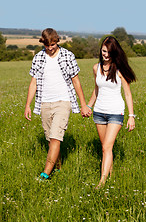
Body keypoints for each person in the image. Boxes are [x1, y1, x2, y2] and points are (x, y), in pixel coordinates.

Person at [24, 28, 91, 180]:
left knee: (55, 137)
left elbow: (76, 81)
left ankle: (45, 174)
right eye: (47, 45)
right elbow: (33, 82)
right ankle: (58, 167)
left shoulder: (68, 56)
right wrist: (28, 105)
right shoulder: (39, 57)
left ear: (57, 41)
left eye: (52, 45)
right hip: (44, 102)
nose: (50, 48)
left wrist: (83, 104)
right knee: (50, 139)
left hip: (63, 101)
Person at [87, 36, 136, 188]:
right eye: (103, 51)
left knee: (107, 147)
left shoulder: (119, 70)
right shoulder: (96, 68)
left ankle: (102, 182)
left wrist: (131, 116)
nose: (106, 55)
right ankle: (111, 175)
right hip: (99, 112)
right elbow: (96, 90)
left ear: (114, 52)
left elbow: (127, 94)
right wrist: (89, 106)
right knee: (105, 147)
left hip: (116, 112)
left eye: (109, 52)